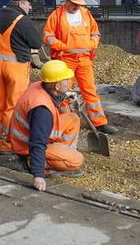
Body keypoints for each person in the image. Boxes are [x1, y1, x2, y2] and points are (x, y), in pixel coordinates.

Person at [43, 0, 118, 134]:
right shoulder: (56, 15)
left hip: (84, 60)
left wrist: (92, 44)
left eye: (79, 4)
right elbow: (48, 36)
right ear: (67, 1)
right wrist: (63, 46)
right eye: (74, 3)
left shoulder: (85, 14)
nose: (77, 6)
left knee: (90, 91)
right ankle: (64, 121)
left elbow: (95, 33)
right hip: (65, 60)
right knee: (62, 92)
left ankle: (100, 123)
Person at [8, 60, 84, 191]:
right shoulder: (42, 110)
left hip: (32, 133)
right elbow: (37, 142)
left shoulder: (40, 85)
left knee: (73, 119)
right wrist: (38, 175)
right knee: (76, 160)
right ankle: (32, 162)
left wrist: (64, 96)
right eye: (65, 80)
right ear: (56, 86)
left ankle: (59, 154)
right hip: (26, 145)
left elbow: (52, 96)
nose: (69, 82)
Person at [0, 0, 44, 154]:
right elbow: (36, 43)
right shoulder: (22, 20)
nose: (30, 8)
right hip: (16, 67)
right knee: (13, 106)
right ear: (20, 3)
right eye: (28, 4)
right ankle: (6, 143)